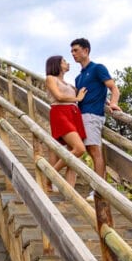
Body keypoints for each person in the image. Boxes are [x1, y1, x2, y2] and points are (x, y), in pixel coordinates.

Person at [70, 38, 120, 186]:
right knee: (82, 150)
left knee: (94, 151)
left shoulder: (98, 68)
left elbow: (114, 88)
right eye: (72, 51)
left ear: (86, 51)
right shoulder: (78, 77)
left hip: (93, 115)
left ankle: (99, 189)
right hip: (80, 115)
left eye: (76, 50)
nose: (73, 54)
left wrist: (113, 103)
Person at [44, 55, 87, 188]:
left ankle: (69, 191)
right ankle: (50, 174)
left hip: (74, 114)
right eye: (64, 61)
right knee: (79, 149)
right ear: (56, 64)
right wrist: (78, 98)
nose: (68, 63)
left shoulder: (70, 85)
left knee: (73, 153)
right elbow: (58, 96)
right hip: (60, 113)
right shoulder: (51, 78)